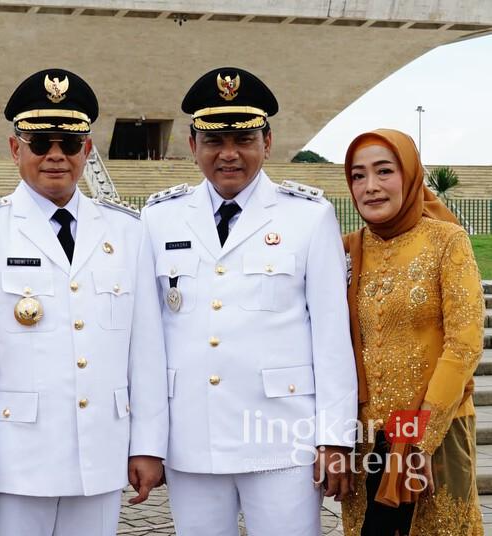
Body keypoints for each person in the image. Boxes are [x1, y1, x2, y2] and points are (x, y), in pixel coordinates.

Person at [0, 68, 168, 536]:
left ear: (88, 149)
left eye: (69, 143)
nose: (55, 156)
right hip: (14, 459)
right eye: (41, 142)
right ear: (14, 148)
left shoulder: (127, 230)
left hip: (100, 453)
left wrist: (147, 444)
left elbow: (145, 349)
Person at [140, 67, 358, 536]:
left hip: (283, 439)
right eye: (215, 140)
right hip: (192, 436)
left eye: (243, 138)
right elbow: (143, 334)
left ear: (268, 142)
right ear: (193, 144)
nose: (229, 153)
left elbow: (331, 337)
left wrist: (335, 438)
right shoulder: (159, 219)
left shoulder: (308, 217)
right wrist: (148, 440)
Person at [340, 128, 484, 535]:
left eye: (384, 171)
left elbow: (465, 344)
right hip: (366, 440)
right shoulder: (347, 250)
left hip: (434, 435)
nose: (370, 187)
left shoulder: (446, 241)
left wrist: (417, 435)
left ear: (409, 174)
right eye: (357, 175)